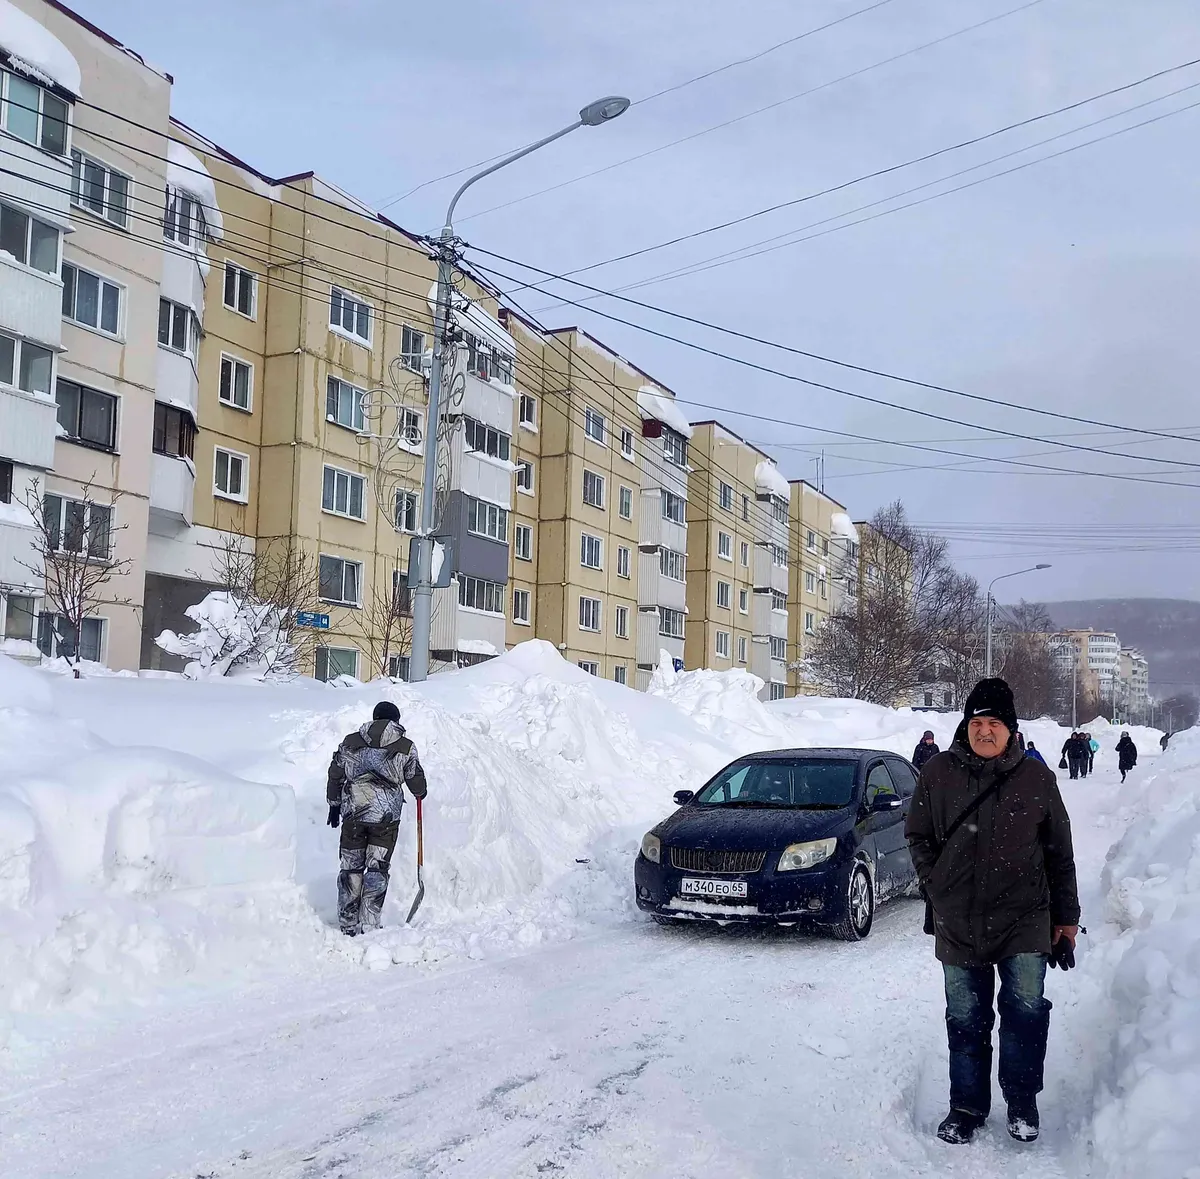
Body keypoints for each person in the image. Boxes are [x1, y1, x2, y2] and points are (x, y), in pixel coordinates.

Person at [906, 677, 1080, 1147]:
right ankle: (966, 1106)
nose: (985, 731)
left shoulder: (1036, 778)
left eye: (994, 724)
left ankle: (1022, 1102)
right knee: (965, 1019)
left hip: (1025, 918)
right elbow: (917, 835)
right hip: (958, 920)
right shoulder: (938, 772)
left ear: (1011, 729)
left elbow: (1059, 855)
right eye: (977, 722)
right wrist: (934, 883)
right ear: (966, 725)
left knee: (1025, 1013)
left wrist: (1066, 920)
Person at [326, 700, 427, 936]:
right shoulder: (405, 746)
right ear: (396, 721)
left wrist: (333, 804)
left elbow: (335, 773)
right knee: (377, 868)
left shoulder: (351, 742)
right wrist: (420, 792)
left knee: (351, 867)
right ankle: (370, 924)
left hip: (353, 814)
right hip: (385, 819)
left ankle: (348, 924)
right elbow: (415, 780)